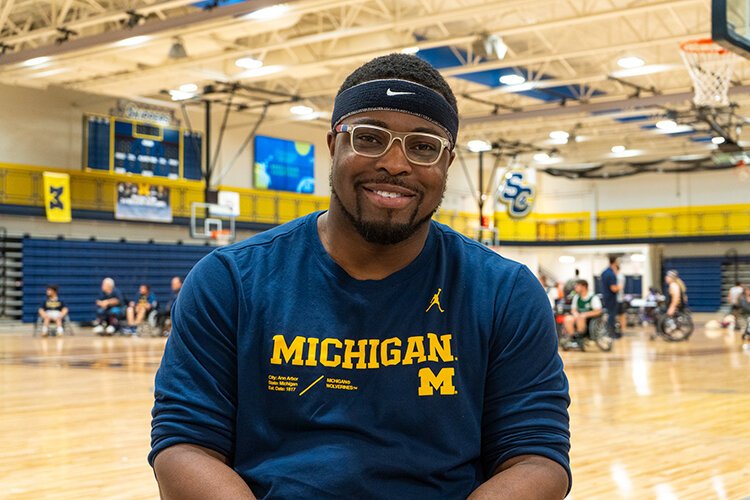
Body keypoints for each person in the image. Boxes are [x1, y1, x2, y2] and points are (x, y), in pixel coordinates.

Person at [149, 53, 571, 499]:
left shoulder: (505, 292)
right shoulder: (229, 281)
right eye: (370, 138)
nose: (394, 163)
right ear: (334, 145)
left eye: (423, 145)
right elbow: (184, 445)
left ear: (447, 161)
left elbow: (536, 458)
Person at [562, 279, 603, 345]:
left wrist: (585, 314)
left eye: (577, 286)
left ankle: (580, 336)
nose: (575, 288)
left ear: (583, 287)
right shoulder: (576, 297)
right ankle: (573, 337)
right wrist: (575, 314)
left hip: (590, 318)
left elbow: (598, 311)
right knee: (568, 319)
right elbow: (573, 309)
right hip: (579, 316)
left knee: (581, 317)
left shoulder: (593, 297)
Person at [600, 256, 621, 337]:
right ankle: (611, 333)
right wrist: (620, 287)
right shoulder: (611, 274)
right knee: (611, 316)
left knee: (609, 315)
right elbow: (614, 288)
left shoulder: (604, 272)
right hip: (611, 298)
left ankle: (608, 332)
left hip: (606, 297)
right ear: (615, 262)